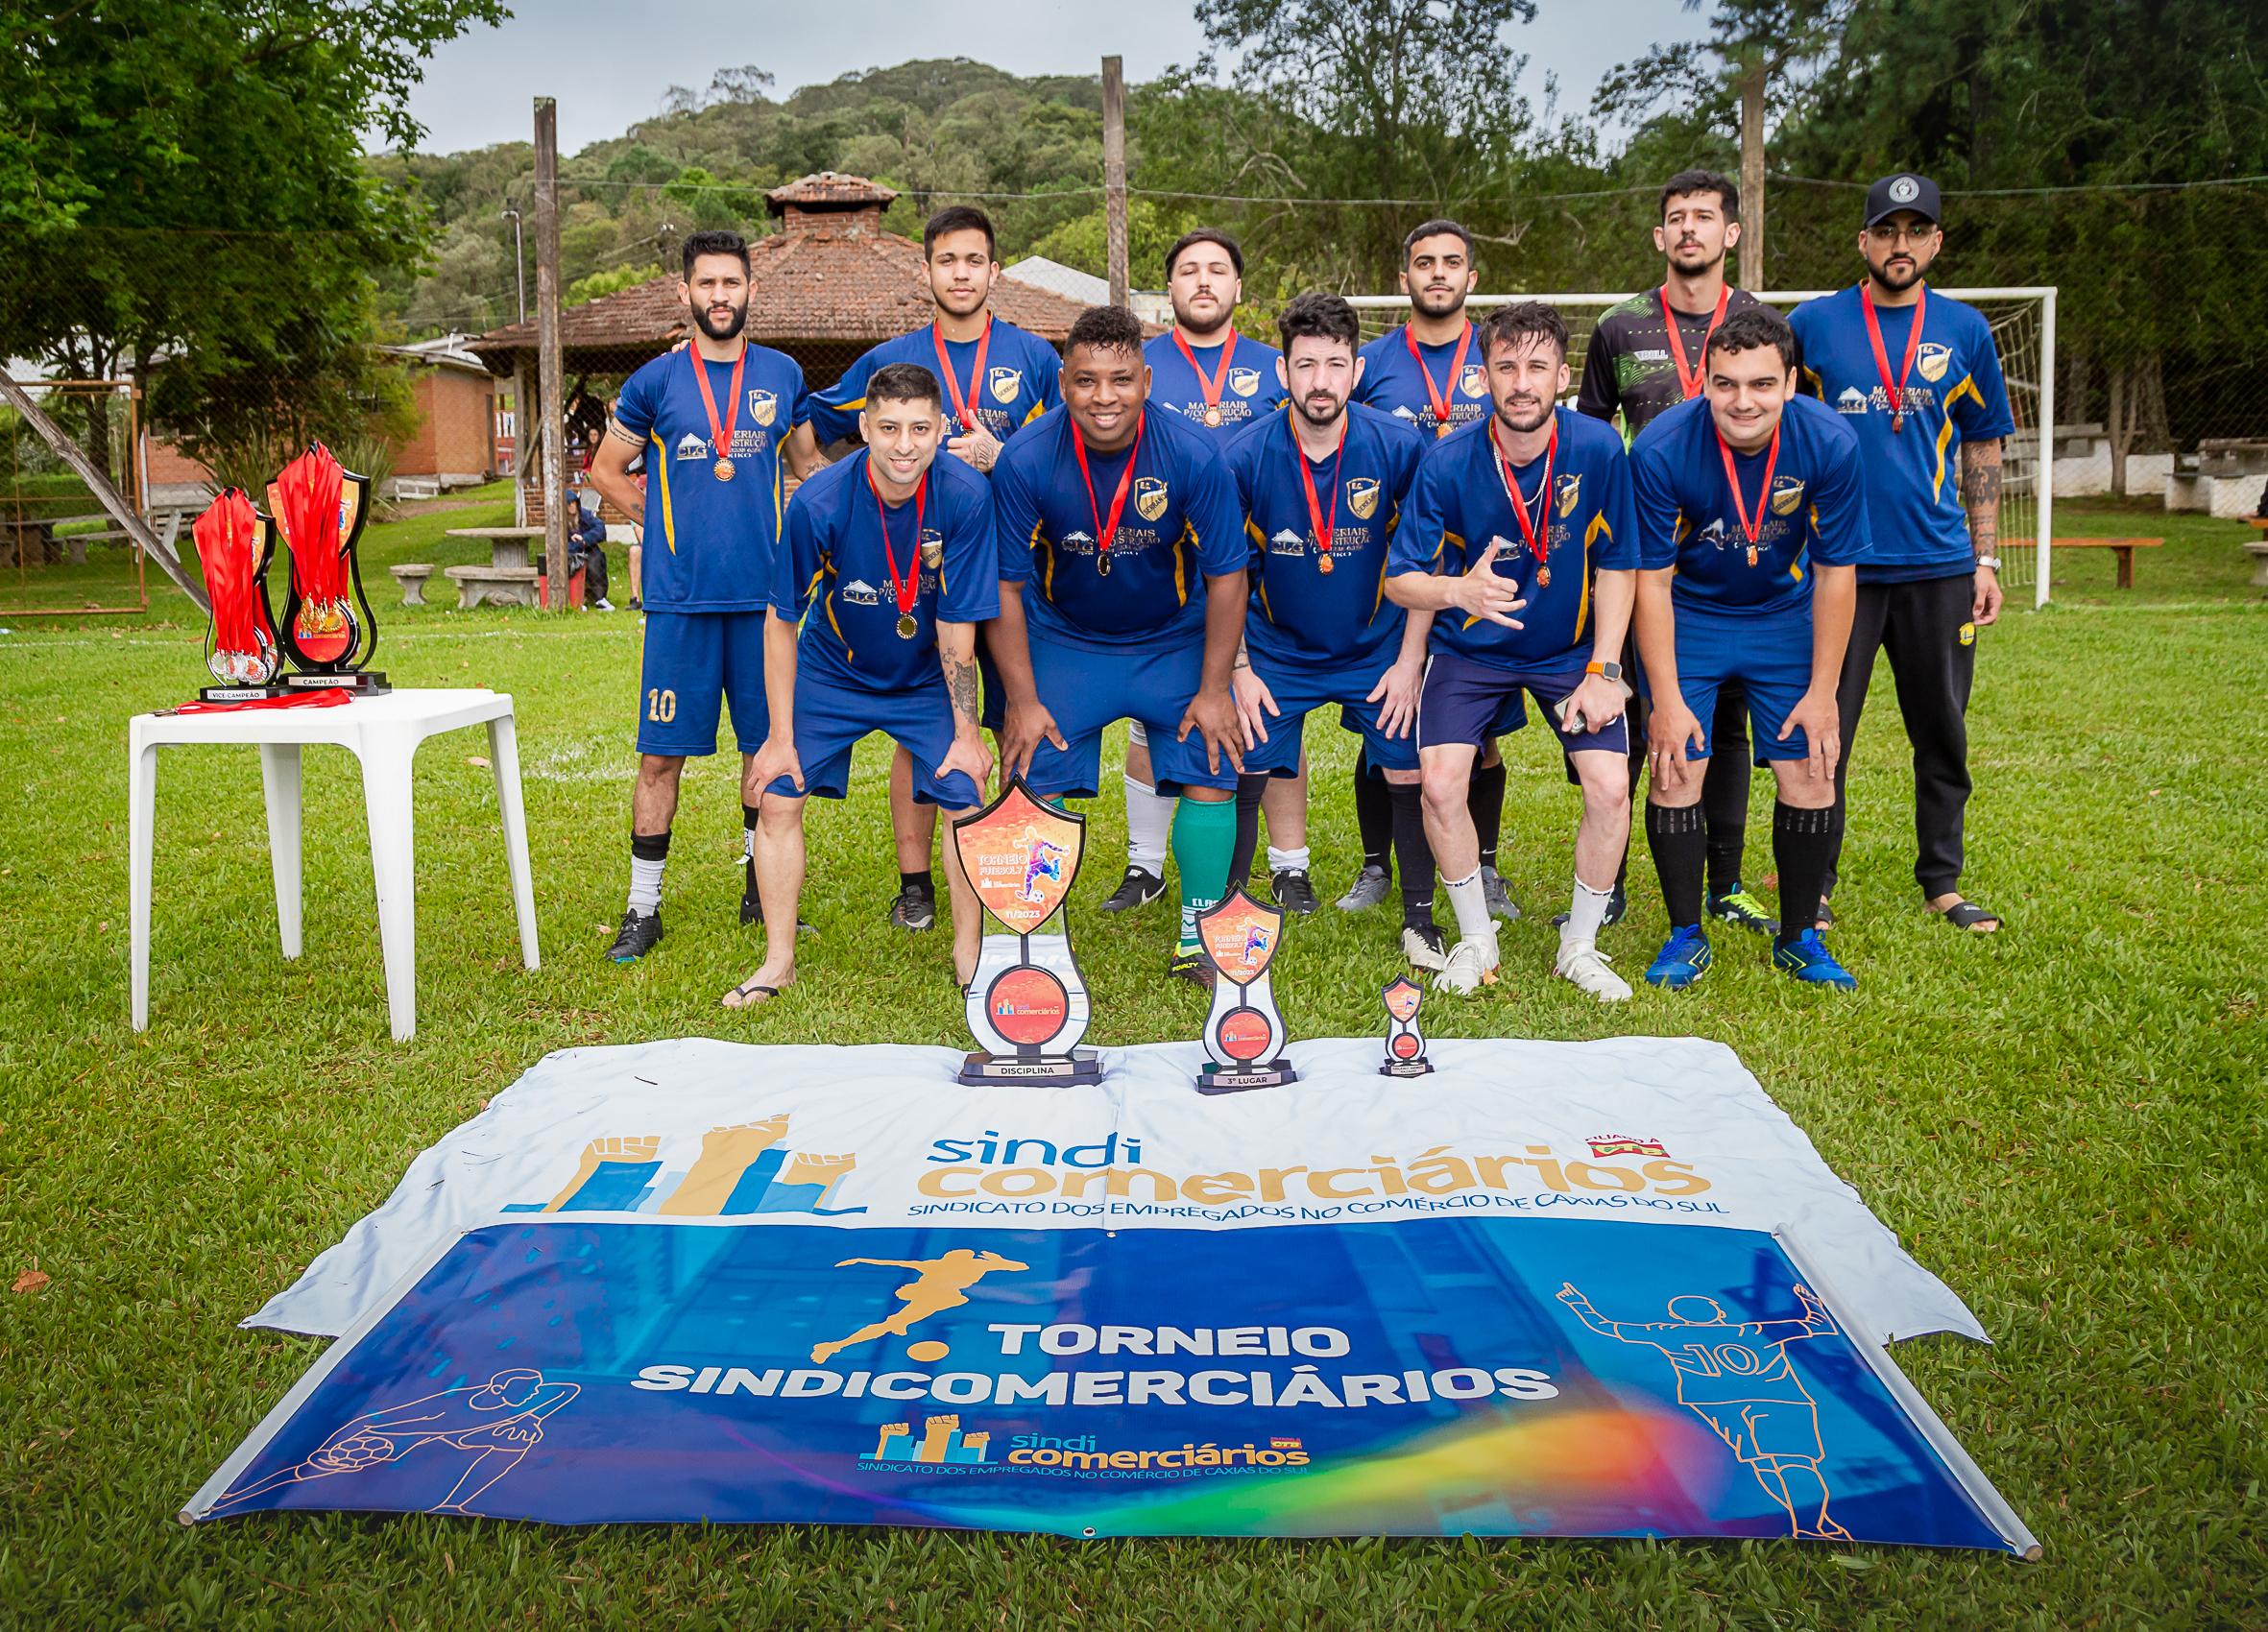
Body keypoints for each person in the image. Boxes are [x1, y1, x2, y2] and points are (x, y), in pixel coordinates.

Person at [808, 205, 1063, 939]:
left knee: (1013, 719)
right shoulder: (891, 361)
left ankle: (1012, 878)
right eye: (946, 260)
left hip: (1011, 575)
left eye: (973, 260)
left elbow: (1066, 457)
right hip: (913, 583)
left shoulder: (1033, 358)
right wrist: (831, 499)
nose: (960, 273)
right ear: (927, 271)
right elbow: (817, 427)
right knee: (918, 732)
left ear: (994, 270)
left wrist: (1002, 461)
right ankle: (916, 882)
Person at [1387, 301, 1641, 1000]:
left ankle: (1579, 946)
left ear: (1562, 374)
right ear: (1484, 376)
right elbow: (1400, 579)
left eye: (1536, 366)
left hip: (1568, 652)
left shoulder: (1597, 448)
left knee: (1611, 784)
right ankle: (1476, 941)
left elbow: (1619, 563)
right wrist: (1456, 592)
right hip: (1473, 650)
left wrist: (1606, 668)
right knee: (1440, 783)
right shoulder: (1445, 460)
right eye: (1506, 366)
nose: (1521, 382)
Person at [987, 304, 1248, 983]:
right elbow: (1007, 588)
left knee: (1209, 767)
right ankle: (1037, 944)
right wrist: (1020, 697)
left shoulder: (1194, 454)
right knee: (1031, 773)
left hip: (1170, 640)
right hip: (1066, 640)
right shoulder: (1025, 458)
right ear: (1064, 382)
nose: (1104, 397)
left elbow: (1227, 576)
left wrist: (1216, 689)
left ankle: (1197, 935)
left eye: (1121, 379)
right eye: (1085, 380)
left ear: (1147, 381)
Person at [586, 228, 826, 963]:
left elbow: (810, 466)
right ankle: (642, 908)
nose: (720, 296)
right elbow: (605, 471)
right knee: (661, 759)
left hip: (764, 606)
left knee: (766, 753)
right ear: (684, 292)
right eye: (707, 284)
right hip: (680, 604)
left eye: (732, 283)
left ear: (752, 290)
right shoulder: (655, 383)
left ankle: (762, 897)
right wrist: (655, 528)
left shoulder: (784, 375)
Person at [1788, 173, 2015, 933]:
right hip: (1838, 568)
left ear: (1936, 243)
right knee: (1826, 732)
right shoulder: (1814, 325)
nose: (1900, 245)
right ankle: (1814, 884)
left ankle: (1943, 881)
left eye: (1916, 231)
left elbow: (1983, 444)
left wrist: (1986, 559)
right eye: (1887, 231)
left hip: (1940, 566)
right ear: (1864, 241)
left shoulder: (1965, 331)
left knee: (1942, 729)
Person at [732, 363, 996, 1007]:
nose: (904, 444)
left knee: (963, 793)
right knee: (777, 795)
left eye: (919, 428)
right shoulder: (817, 502)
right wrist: (780, 737)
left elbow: (959, 630)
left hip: (925, 674)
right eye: (889, 428)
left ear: (940, 431)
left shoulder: (965, 496)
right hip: (835, 669)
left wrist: (966, 735)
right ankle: (778, 961)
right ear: (864, 429)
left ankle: (970, 959)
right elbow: (781, 621)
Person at [1630, 306, 1869, 989]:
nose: (1744, 401)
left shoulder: (1831, 444)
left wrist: (1824, 693)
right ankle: (1684, 935)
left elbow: (1837, 574)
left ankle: (1799, 939)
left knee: (1812, 769)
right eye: (1727, 383)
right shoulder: (1661, 448)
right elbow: (1650, 580)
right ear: (1704, 382)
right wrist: (1668, 699)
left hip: (1781, 614)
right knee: (1676, 767)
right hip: (1690, 615)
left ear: (1791, 383)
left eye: (1762, 384)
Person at [1577, 170, 1773, 936]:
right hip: (1637, 552)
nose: (1689, 229)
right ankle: (1611, 876)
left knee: (1724, 721)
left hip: (1733, 554)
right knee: (1624, 714)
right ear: (1660, 237)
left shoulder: (1764, 323)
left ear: (1731, 234)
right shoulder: (1619, 327)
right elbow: (1591, 439)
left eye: (1705, 217)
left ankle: (1725, 883)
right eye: (1675, 219)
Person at [1222, 294, 1433, 962]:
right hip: (1277, 651)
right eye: (1305, 364)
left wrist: (1410, 664)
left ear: (1357, 370)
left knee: (1407, 768)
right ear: (1282, 372)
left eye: (1334, 364)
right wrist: (1241, 670)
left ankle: (1420, 917)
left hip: (1378, 648)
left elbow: (1425, 562)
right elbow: (1226, 577)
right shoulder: (1244, 454)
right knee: (1244, 761)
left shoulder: (1399, 446)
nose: (1320, 380)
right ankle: (1230, 913)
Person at [1112, 228, 1294, 916]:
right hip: (1162, 564)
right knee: (1151, 720)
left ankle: (1278, 866)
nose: (1204, 281)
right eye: (1189, 270)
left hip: (1256, 559)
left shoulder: (1275, 367)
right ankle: (1145, 864)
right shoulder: (1140, 363)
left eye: (1218, 269)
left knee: (1260, 708)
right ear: (1171, 290)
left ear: (1239, 287)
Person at [1352, 218, 1520, 926]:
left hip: (1483, 567)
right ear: (1405, 278)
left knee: (1475, 730)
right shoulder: (1372, 362)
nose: (1439, 274)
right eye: (1425, 263)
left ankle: (1483, 866)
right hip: (1401, 565)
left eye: (1453, 262)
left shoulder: (1497, 360)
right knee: (1386, 719)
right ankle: (1376, 863)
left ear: (1471, 277)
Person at [563, 480, 613, 610]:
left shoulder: (584, 515)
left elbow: (600, 529)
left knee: (595, 559)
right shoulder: (560, 520)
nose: (572, 506)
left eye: (574, 503)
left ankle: (600, 598)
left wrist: (584, 539)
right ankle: (574, 599)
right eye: (569, 504)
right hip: (568, 551)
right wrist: (574, 543)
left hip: (587, 549)